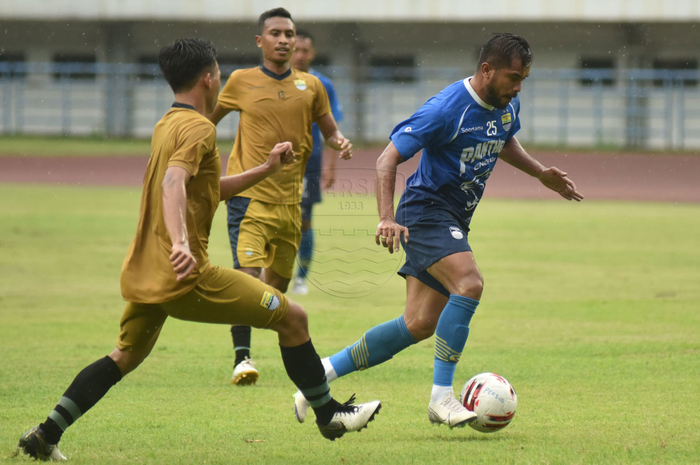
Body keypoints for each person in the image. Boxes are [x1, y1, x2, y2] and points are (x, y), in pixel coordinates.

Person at [17, 38, 380, 461]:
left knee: (125, 356)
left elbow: (204, 189)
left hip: (145, 269)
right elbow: (173, 182)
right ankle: (328, 414)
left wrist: (265, 168)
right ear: (208, 78)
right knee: (293, 317)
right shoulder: (200, 128)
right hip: (184, 274)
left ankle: (45, 434)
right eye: (219, 73)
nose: (221, 78)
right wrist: (184, 245)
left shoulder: (166, 124)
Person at [293, 33, 583, 428]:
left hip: (452, 217)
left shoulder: (506, 103)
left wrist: (540, 173)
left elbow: (503, 136)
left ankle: (320, 373)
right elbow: (386, 158)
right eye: (513, 78)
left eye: (523, 80)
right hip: (425, 210)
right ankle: (441, 397)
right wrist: (385, 217)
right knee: (470, 283)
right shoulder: (446, 109)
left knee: (418, 323)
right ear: (486, 70)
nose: (517, 88)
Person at [207, 8, 352, 385]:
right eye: (275, 33)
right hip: (249, 198)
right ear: (260, 41)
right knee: (247, 279)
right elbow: (207, 121)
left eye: (289, 33)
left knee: (277, 288)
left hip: (291, 200)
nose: (284, 40)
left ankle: (277, 345)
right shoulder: (240, 81)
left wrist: (340, 142)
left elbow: (330, 130)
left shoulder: (312, 86)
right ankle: (242, 357)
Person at [289, 29, 344, 296]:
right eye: (295, 49)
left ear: (312, 53)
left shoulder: (323, 84)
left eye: (304, 50)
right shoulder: (271, 82)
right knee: (273, 219)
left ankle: (300, 277)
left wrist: (329, 166)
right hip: (275, 164)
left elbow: (332, 129)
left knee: (305, 220)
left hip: (309, 162)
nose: (299, 55)